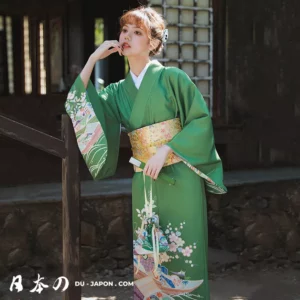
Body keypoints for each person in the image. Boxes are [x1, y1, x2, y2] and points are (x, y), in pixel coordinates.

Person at [65, 6, 227, 300]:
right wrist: (92, 59)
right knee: (148, 251)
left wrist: (167, 148)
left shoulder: (173, 79)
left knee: (183, 247)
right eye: (124, 30)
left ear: (153, 43)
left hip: (180, 175)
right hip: (144, 179)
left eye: (137, 32)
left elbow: (200, 122)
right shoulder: (116, 93)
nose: (127, 36)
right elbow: (80, 104)